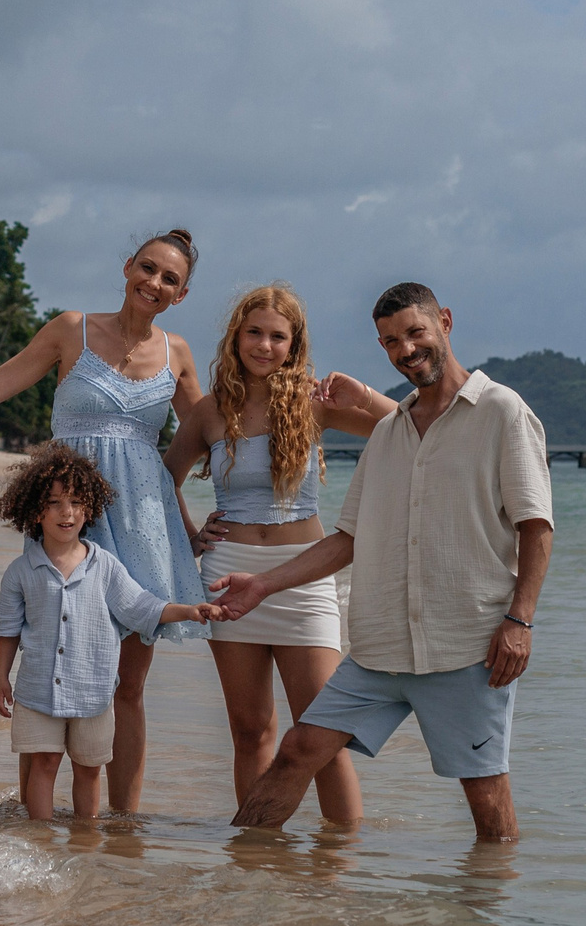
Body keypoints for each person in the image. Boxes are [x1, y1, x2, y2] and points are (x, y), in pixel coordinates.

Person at [211, 283, 553, 842]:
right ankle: (246, 873)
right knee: (298, 751)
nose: (406, 349)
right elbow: (348, 537)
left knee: (485, 798)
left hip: (465, 646)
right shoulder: (392, 431)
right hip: (381, 648)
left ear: (444, 321)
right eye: (391, 342)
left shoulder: (500, 411)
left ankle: (489, 919)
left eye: (416, 332)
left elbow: (536, 524)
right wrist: (262, 585)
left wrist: (520, 620)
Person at [0, 230, 207, 815]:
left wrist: (212, 520)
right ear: (127, 266)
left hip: (146, 529)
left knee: (127, 687)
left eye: (169, 279)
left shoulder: (178, 352)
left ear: (181, 294)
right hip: (65, 514)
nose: (154, 283)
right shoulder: (69, 329)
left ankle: (124, 825)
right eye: (147, 268)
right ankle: (38, 817)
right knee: (49, 667)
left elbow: (208, 435)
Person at [164, 285, 394, 825]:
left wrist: (361, 392)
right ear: (236, 336)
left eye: (277, 336)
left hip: (304, 578)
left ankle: (340, 867)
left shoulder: (314, 404)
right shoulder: (210, 411)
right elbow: (162, 480)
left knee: (321, 734)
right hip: (225, 579)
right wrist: (191, 536)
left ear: (294, 345)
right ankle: (259, 861)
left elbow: (405, 426)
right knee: (251, 731)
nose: (264, 345)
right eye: (255, 332)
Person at [0, 445, 225, 821]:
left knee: (88, 769)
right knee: (45, 763)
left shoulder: (105, 566)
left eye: (75, 502)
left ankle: (86, 840)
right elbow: (7, 629)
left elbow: (142, 607)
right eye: (54, 503)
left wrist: (188, 610)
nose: (66, 512)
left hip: (94, 694)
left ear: (88, 509)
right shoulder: (21, 571)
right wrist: (1, 677)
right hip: (37, 691)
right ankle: (41, 838)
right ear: (36, 512)